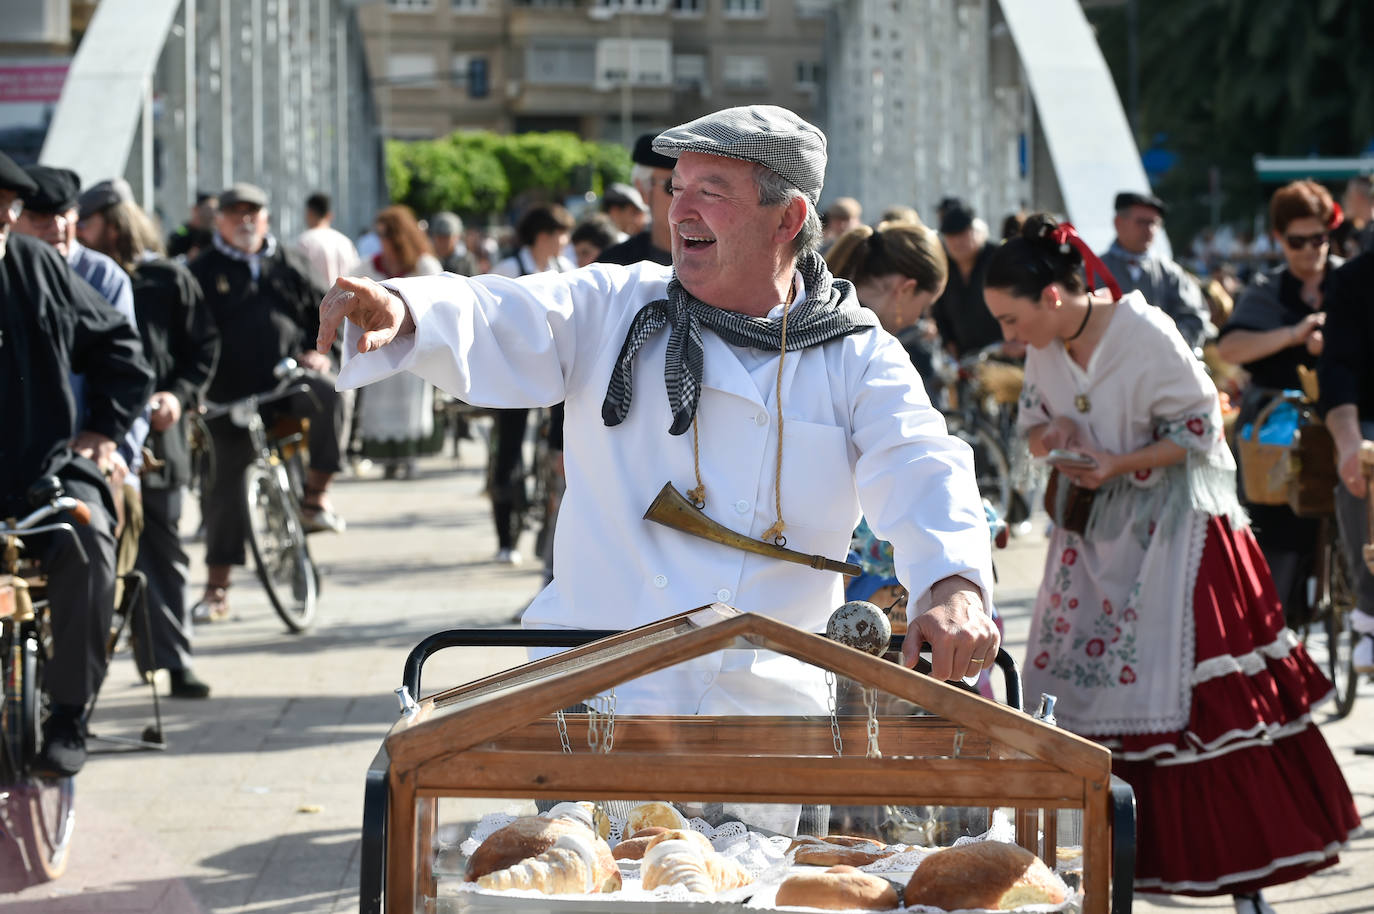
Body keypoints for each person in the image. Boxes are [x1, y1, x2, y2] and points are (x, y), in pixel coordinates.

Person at [321, 104, 999, 714]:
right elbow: (504, 311)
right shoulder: (617, 304)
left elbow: (921, 461)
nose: (678, 212)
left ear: (788, 219)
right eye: (676, 190)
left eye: (712, 191)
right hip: (596, 687)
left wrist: (953, 582)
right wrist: (409, 307)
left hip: (764, 707)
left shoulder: (857, 352)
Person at [986, 214, 1357, 910]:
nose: (1009, 337)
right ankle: (1103, 870)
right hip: (1090, 539)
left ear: (1055, 300)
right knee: (1075, 695)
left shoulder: (1144, 333)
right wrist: (1054, 434)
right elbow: (1034, 425)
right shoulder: (1044, 349)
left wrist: (1120, 460)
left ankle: (1243, 882)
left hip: (1178, 537)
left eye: (1013, 319)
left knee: (1201, 713)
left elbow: (1200, 427)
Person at [0, 152, 154, 775]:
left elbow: (122, 350)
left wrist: (101, 430)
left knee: (87, 535)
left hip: (43, 463)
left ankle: (69, 711)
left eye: (6, 210)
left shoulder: (35, 265)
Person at [77, 185, 219, 698]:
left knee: (163, 551)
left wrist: (179, 396)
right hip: (92, 436)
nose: (74, 232)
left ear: (111, 222)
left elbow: (201, 348)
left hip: (158, 438)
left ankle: (174, 662)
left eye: (85, 222)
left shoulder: (168, 277)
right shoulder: (74, 276)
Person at [188, 181, 344, 621]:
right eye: (234, 212)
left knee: (329, 392)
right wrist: (193, 392)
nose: (245, 220)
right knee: (225, 486)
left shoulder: (287, 262)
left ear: (266, 218)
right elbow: (187, 336)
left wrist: (321, 351)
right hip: (227, 395)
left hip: (285, 381)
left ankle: (316, 497)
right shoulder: (201, 271)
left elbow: (323, 308)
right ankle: (217, 588)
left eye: (253, 212)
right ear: (218, 219)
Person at [1216, 180, 1344, 627]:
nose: (1311, 250)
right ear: (1280, 240)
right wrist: (1293, 334)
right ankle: (1274, 629)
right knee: (1279, 536)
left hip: (1342, 425)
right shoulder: (1267, 291)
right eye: (1298, 241)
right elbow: (1229, 348)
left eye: (1319, 238)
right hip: (1277, 436)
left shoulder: (1352, 282)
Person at [487, 203, 575, 562]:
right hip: (513, 376)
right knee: (507, 453)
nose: (565, 241)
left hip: (554, 373)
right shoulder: (509, 269)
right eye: (561, 234)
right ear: (544, 236)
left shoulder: (564, 269)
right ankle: (506, 539)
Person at [357, 205, 442, 480]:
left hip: (413, 346)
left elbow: (439, 303)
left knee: (411, 402)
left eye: (386, 234)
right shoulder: (368, 266)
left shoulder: (424, 266)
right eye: (378, 234)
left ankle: (410, 456)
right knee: (380, 399)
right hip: (380, 348)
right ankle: (387, 458)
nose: (382, 240)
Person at [1319, 247, 1374, 671]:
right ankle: (1370, 612)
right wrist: (1349, 443)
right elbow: (1338, 372)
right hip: (1368, 418)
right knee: (1363, 470)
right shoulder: (1354, 279)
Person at [1098, 191, 1212, 353]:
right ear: (1118, 223)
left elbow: (1195, 318)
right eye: (1142, 222)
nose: (1149, 229)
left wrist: (1165, 344)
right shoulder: (1091, 271)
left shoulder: (1171, 274)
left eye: (1154, 223)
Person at [929, 198, 1004, 359]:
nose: (956, 241)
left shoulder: (998, 258)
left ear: (972, 230)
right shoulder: (945, 267)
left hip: (1003, 354)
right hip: (965, 360)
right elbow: (939, 310)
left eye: (961, 233)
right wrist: (948, 341)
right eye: (950, 235)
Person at [598, 134, 674, 267]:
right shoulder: (613, 266)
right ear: (643, 190)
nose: (687, 199)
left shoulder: (720, 260)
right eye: (673, 187)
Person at [294, 191, 359, 291]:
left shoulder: (305, 242)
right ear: (329, 215)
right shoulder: (345, 242)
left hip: (316, 303)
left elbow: (298, 277)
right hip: (346, 302)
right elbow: (357, 274)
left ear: (309, 213)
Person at [167, 190, 218, 261]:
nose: (213, 214)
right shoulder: (181, 234)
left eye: (216, 210)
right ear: (195, 209)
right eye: (209, 209)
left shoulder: (217, 236)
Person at [429, 211, 477, 277]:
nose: (442, 242)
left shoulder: (466, 260)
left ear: (457, 237)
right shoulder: (429, 258)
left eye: (446, 237)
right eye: (439, 237)